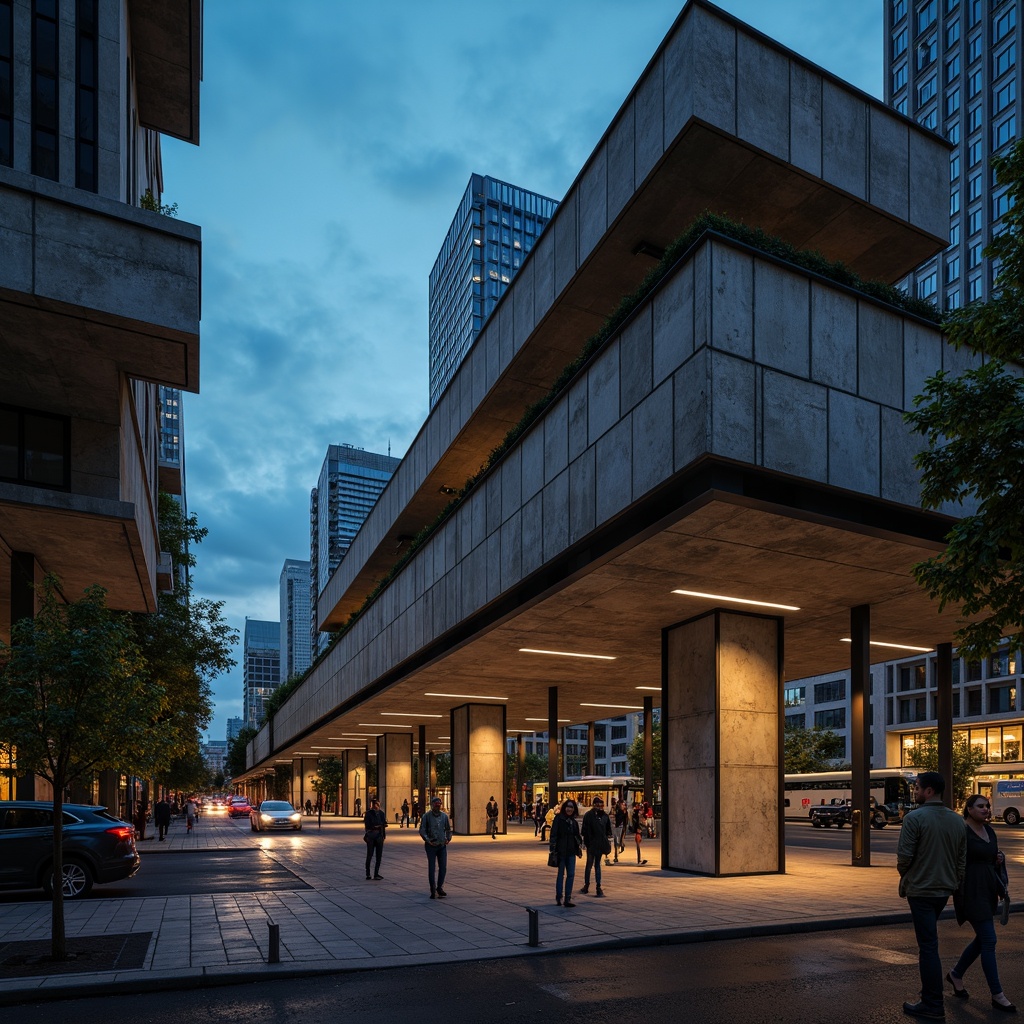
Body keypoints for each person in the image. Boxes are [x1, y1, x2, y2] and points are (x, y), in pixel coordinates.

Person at [897, 771, 967, 1021]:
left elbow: (904, 857)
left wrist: (906, 874)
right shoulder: (957, 820)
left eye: (916, 787)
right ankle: (931, 996)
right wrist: (953, 881)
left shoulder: (914, 818)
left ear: (928, 791)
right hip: (943, 890)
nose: (914, 791)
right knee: (929, 944)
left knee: (928, 947)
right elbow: (961, 860)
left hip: (920, 889)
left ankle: (932, 1003)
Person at [947, 794, 1016, 1012]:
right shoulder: (962, 832)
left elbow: (991, 855)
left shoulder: (990, 831)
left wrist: (999, 859)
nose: (986, 809)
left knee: (982, 939)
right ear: (968, 809)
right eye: (980, 806)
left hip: (988, 891)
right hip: (970, 891)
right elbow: (954, 859)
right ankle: (997, 994)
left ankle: (955, 974)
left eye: (987, 806)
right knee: (989, 939)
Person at [549, 799, 582, 908]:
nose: (569, 809)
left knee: (571, 875)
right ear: (564, 808)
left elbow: (577, 836)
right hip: (561, 851)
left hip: (571, 852)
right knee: (560, 875)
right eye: (568, 807)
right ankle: (559, 897)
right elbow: (553, 835)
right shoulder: (559, 819)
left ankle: (567, 898)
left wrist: (579, 848)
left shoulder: (574, 822)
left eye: (572, 807)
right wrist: (553, 849)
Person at [419, 795, 452, 898]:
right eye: (436, 805)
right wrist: (428, 840)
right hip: (431, 845)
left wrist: (448, 838)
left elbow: (448, 829)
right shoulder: (426, 816)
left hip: (442, 845)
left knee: (443, 867)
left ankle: (440, 887)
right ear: (432, 805)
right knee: (432, 867)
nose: (438, 807)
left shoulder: (444, 816)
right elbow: (422, 830)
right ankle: (432, 888)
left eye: (439, 805)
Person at [580, 797, 613, 896]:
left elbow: (584, 831)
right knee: (596, 865)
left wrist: (586, 842)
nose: (599, 807)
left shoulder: (588, 815)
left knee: (590, 865)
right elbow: (608, 832)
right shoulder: (604, 816)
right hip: (598, 843)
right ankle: (597, 886)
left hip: (592, 844)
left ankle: (587, 885)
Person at [363, 797, 388, 880]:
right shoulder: (369, 813)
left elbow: (384, 823)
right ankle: (368, 873)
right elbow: (367, 825)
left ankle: (376, 873)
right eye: (375, 804)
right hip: (371, 836)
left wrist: (383, 835)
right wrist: (376, 826)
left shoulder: (381, 813)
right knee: (369, 855)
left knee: (379, 856)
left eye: (378, 804)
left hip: (379, 836)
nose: (377, 806)